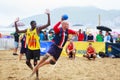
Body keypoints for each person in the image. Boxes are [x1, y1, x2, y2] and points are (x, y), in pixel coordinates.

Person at [14, 9, 50, 79]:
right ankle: (33, 70)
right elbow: (17, 31)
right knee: (27, 62)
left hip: (36, 49)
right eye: (34, 24)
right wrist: (15, 22)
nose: (36, 25)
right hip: (29, 49)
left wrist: (48, 15)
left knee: (35, 63)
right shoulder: (27, 30)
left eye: (36, 24)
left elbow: (48, 24)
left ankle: (37, 76)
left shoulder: (37, 29)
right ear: (31, 24)